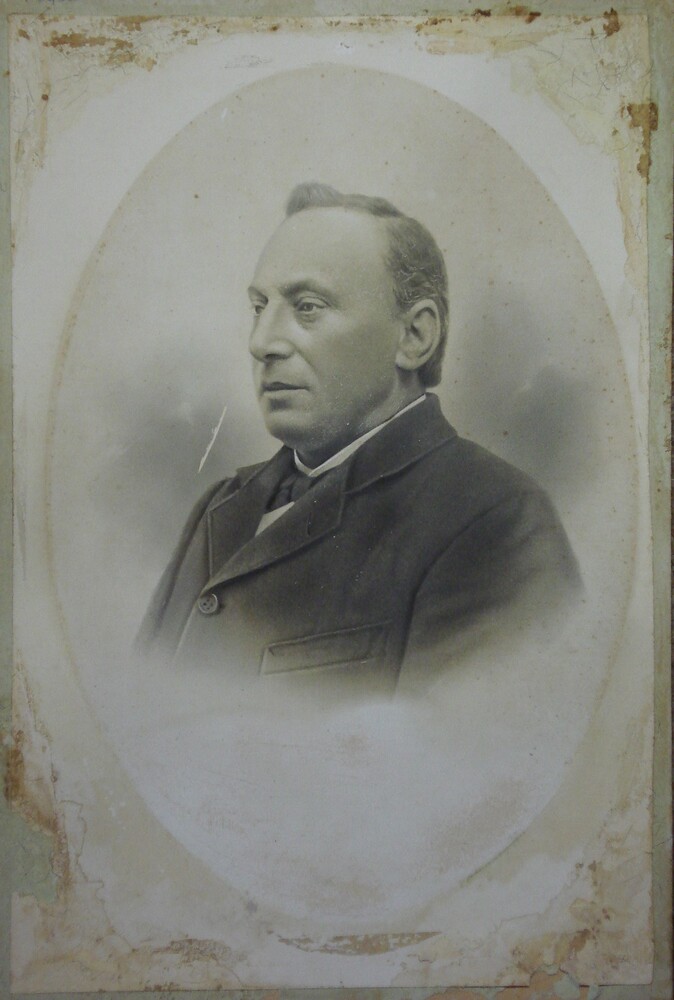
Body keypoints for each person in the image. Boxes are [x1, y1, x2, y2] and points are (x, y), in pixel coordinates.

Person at [137, 183, 581, 698]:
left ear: (414, 336)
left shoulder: (497, 520)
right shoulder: (220, 507)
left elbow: (459, 744)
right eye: (260, 306)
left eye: (307, 306)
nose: (261, 343)